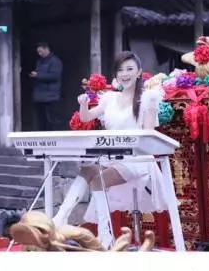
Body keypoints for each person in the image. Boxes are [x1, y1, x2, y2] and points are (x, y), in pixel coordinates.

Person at [52, 51, 168, 248]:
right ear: (115, 74)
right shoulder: (109, 98)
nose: (125, 74)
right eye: (120, 70)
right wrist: (83, 104)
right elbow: (86, 117)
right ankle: (60, 218)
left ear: (139, 72)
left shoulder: (147, 98)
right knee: (88, 170)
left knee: (98, 179)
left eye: (130, 69)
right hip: (112, 157)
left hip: (137, 160)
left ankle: (105, 237)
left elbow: (149, 135)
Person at [29, 42, 63, 131]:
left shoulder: (55, 61)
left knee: (51, 120)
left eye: (41, 51)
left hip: (51, 97)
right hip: (39, 97)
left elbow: (54, 76)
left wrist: (38, 75)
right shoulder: (39, 61)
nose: (39, 54)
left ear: (46, 49)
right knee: (41, 121)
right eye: (38, 52)